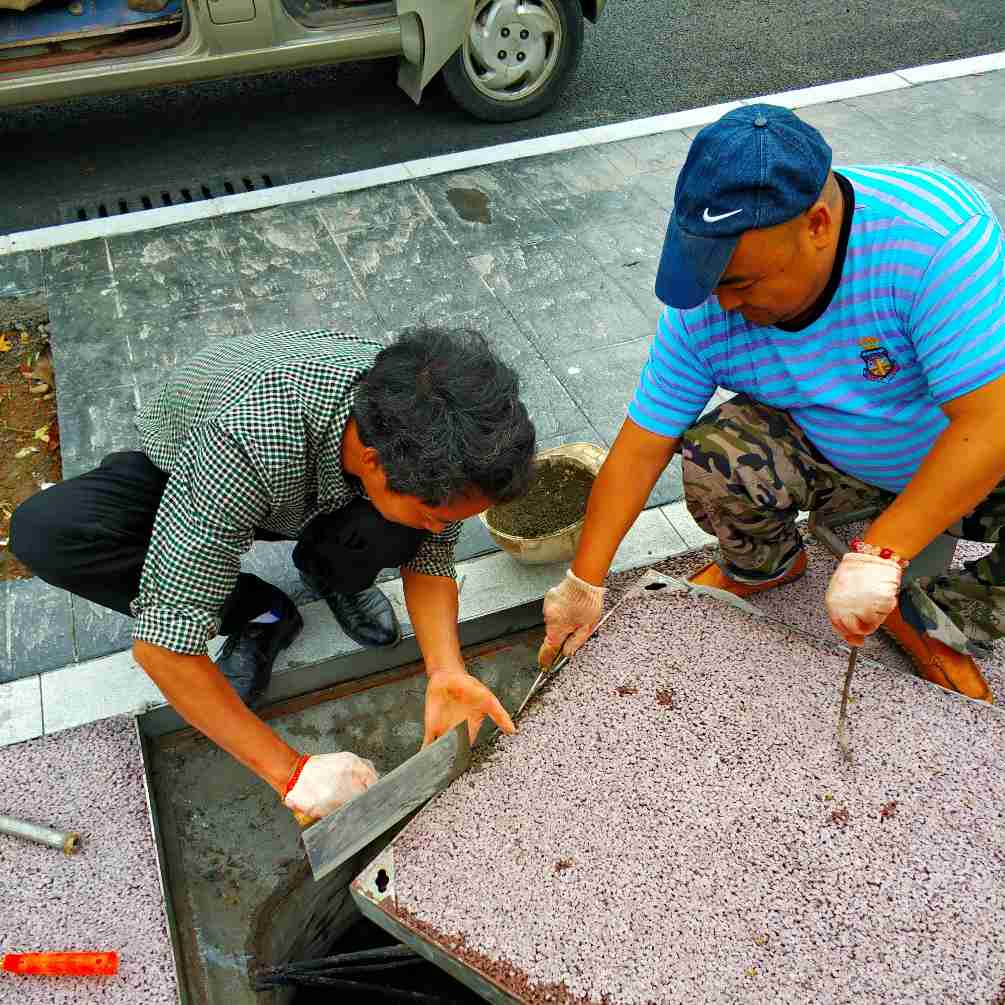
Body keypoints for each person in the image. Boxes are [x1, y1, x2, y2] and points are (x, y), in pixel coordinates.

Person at [539, 103, 1005, 704]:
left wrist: (881, 553)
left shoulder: (933, 242)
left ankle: (938, 617)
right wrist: (585, 581)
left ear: (816, 225)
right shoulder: (708, 305)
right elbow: (641, 446)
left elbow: (989, 424)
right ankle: (767, 566)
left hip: (976, 464)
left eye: (742, 282)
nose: (725, 305)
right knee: (716, 456)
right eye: (712, 282)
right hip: (842, 458)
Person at [11, 325, 535, 821]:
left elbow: (430, 557)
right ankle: (261, 612)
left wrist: (445, 669)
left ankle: (334, 575)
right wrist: (292, 773)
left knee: (404, 529)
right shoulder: (244, 444)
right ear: (374, 464)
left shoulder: (428, 432)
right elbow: (162, 648)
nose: (444, 529)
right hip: (196, 462)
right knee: (46, 533)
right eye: (441, 517)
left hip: (323, 486)